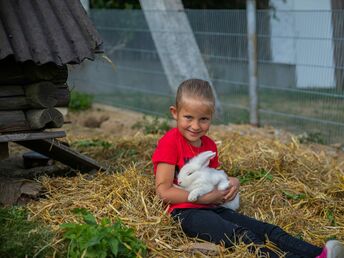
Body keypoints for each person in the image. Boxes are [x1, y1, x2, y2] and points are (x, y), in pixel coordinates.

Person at [152, 78, 344, 258]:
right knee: (242, 236)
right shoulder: (170, 142)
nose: (195, 125)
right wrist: (205, 198)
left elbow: (214, 177)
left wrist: (232, 182)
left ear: (212, 117)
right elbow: (163, 190)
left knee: (268, 230)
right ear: (174, 113)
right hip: (186, 213)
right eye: (188, 117)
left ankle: (320, 254)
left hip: (214, 207)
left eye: (203, 119)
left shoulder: (209, 145)